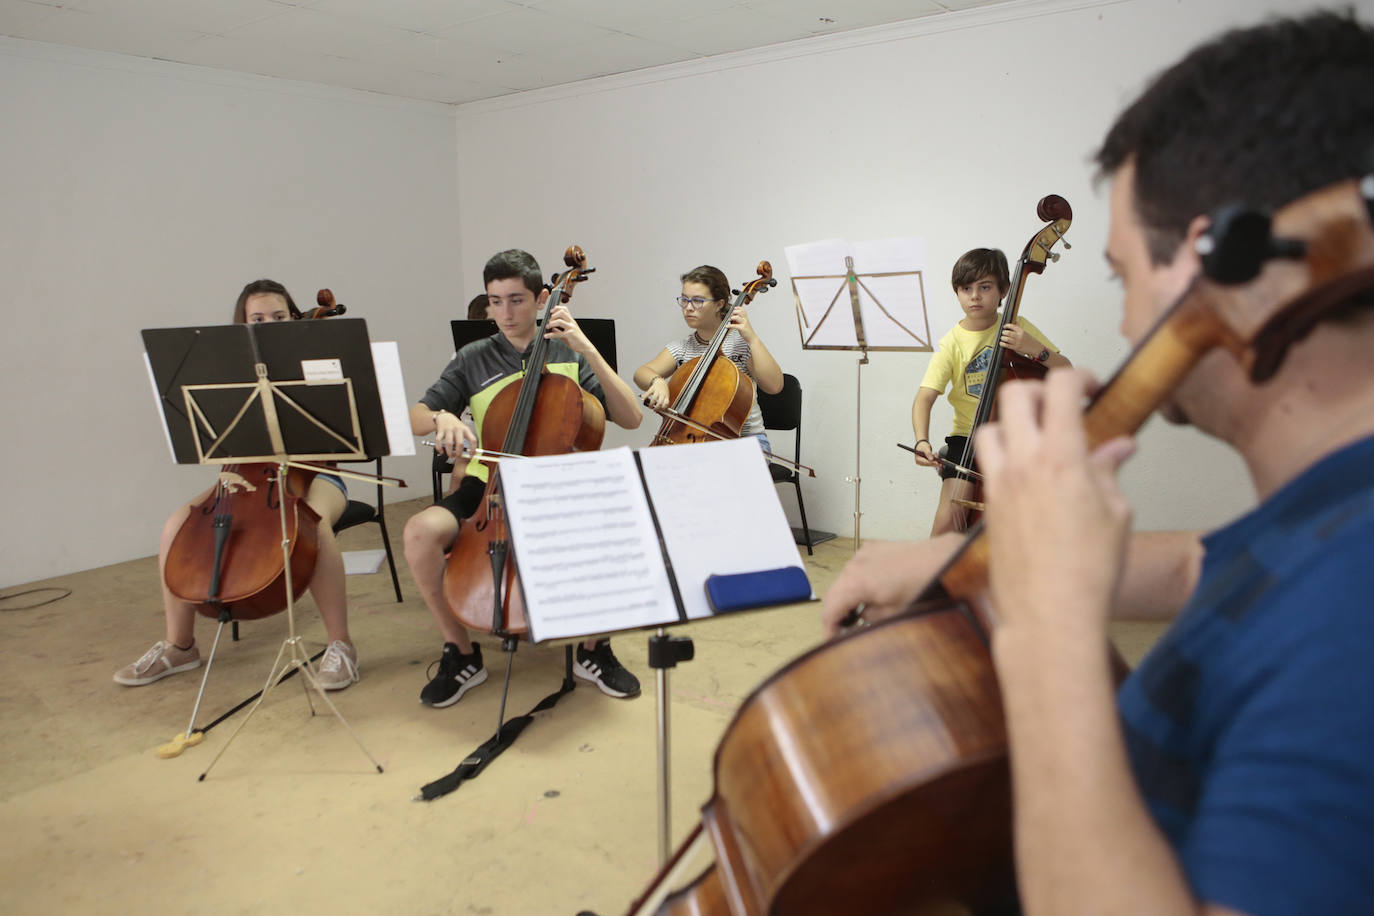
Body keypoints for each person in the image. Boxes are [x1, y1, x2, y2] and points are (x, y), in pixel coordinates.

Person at [824, 10, 1374, 914]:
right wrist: (967, 559)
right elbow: (1218, 562)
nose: (1123, 327)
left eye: (1123, 279)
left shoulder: (1352, 626)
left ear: (1226, 272)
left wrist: (1043, 629)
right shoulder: (1330, 514)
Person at [405, 249, 645, 707]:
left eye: (516, 300)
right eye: (495, 301)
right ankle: (461, 653)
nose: (505, 313)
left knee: (618, 525)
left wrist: (588, 348)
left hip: (558, 481)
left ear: (541, 299)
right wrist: (442, 419)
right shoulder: (472, 357)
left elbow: (630, 418)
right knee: (419, 532)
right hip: (488, 482)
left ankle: (594, 650)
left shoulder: (568, 353)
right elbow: (417, 414)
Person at [115, 279, 362, 691]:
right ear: (242, 323)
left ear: (293, 317)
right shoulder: (224, 372)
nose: (268, 325)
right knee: (178, 523)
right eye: (257, 318)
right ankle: (180, 646)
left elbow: (347, 433)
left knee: (314, 526)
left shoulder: (316, 362)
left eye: (278, 317)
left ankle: (341, 645)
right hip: (245, 477)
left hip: (316, 473)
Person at [911, 248, 1071, 535]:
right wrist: (921, 440)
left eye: (984, 287)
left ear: (1004, 290)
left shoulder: (1017, 327)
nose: (974, 296)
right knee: (950, 515)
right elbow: (925, 397)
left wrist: (1035, 349)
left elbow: (1066, 370)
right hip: (966, 439)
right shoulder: (952, 342)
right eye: (966, 288)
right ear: (957, 293)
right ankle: (932, 575)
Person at [633, 265, 784, 449]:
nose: (688, 308)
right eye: (684, 300)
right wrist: (657, 381)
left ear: (719, 304)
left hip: (745, 442)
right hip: (687, 440)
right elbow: (641, 373)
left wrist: (752, 339)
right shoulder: (682, 349)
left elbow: (774, 386)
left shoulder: (740, 345)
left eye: (697, 301)